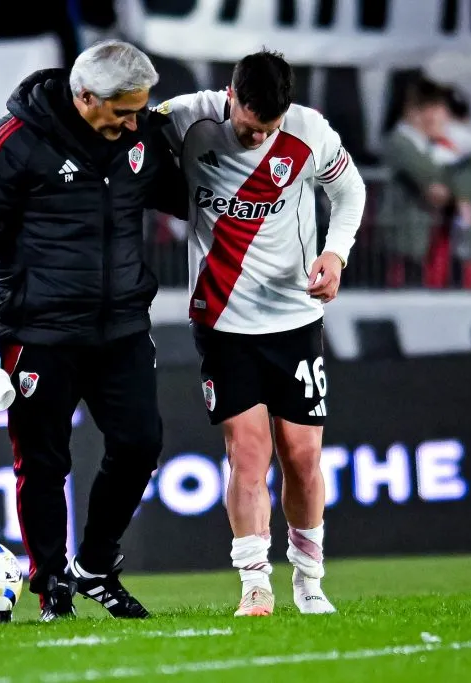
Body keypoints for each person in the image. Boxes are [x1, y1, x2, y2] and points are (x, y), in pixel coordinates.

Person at [0, 40, 187, 621]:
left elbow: (187, 198)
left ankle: (95, 566)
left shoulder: (138, 137)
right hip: (38, 332)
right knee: (43, 463)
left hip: (122, 330)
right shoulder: (13, 142)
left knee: (140, 445)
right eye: (123, 112)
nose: (135, 123)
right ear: (85, 96)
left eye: (141, 110)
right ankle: (50, 584)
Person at [157, 50, 366, 617]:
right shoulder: (183, 118)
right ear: (230, 96)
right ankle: (254, 582)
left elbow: (351, 192)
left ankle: (309, 579)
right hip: (223, 320)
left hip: (295, 319)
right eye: (249, 127)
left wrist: (336, 253)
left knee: (302, 455)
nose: (257, 139)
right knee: (247, 454)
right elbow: (122, 145)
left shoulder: (309, 131)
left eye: (267, 130)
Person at [380, 77, 471, 289]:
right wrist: (458, 177)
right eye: (423, 108)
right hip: (413, 243)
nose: (431, 116)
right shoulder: (400, 139)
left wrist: (456, 190)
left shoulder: (454, 137)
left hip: (456, 242)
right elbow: (422, 168)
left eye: (436, 108)